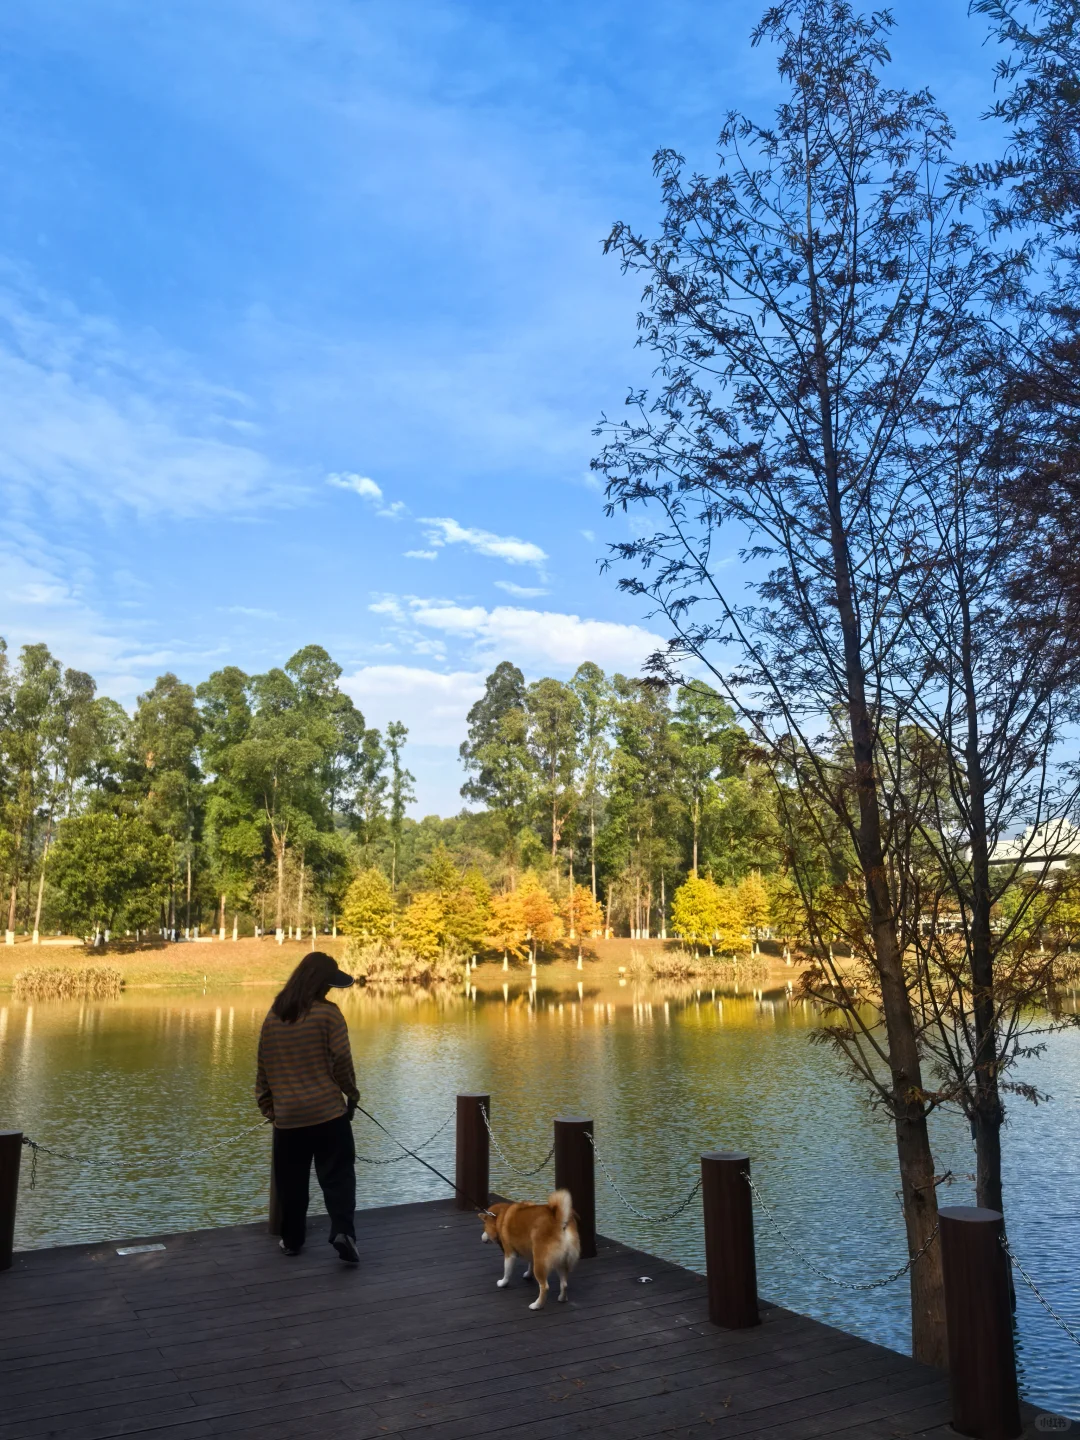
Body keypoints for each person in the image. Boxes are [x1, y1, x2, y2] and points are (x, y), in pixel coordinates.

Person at [255, 950, 362, 1263]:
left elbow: (263, 1066)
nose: (329, 990)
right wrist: (351, 1094)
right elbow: (342, 1060)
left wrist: (268, 1106)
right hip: (328, 1113)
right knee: (338, 1179)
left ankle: (292, 1240)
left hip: (288, 1118)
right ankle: (343, 1233)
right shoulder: (328, 1014)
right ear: (319, 984)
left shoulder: (274, 1016)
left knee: (291, 1184)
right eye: (328, 985)